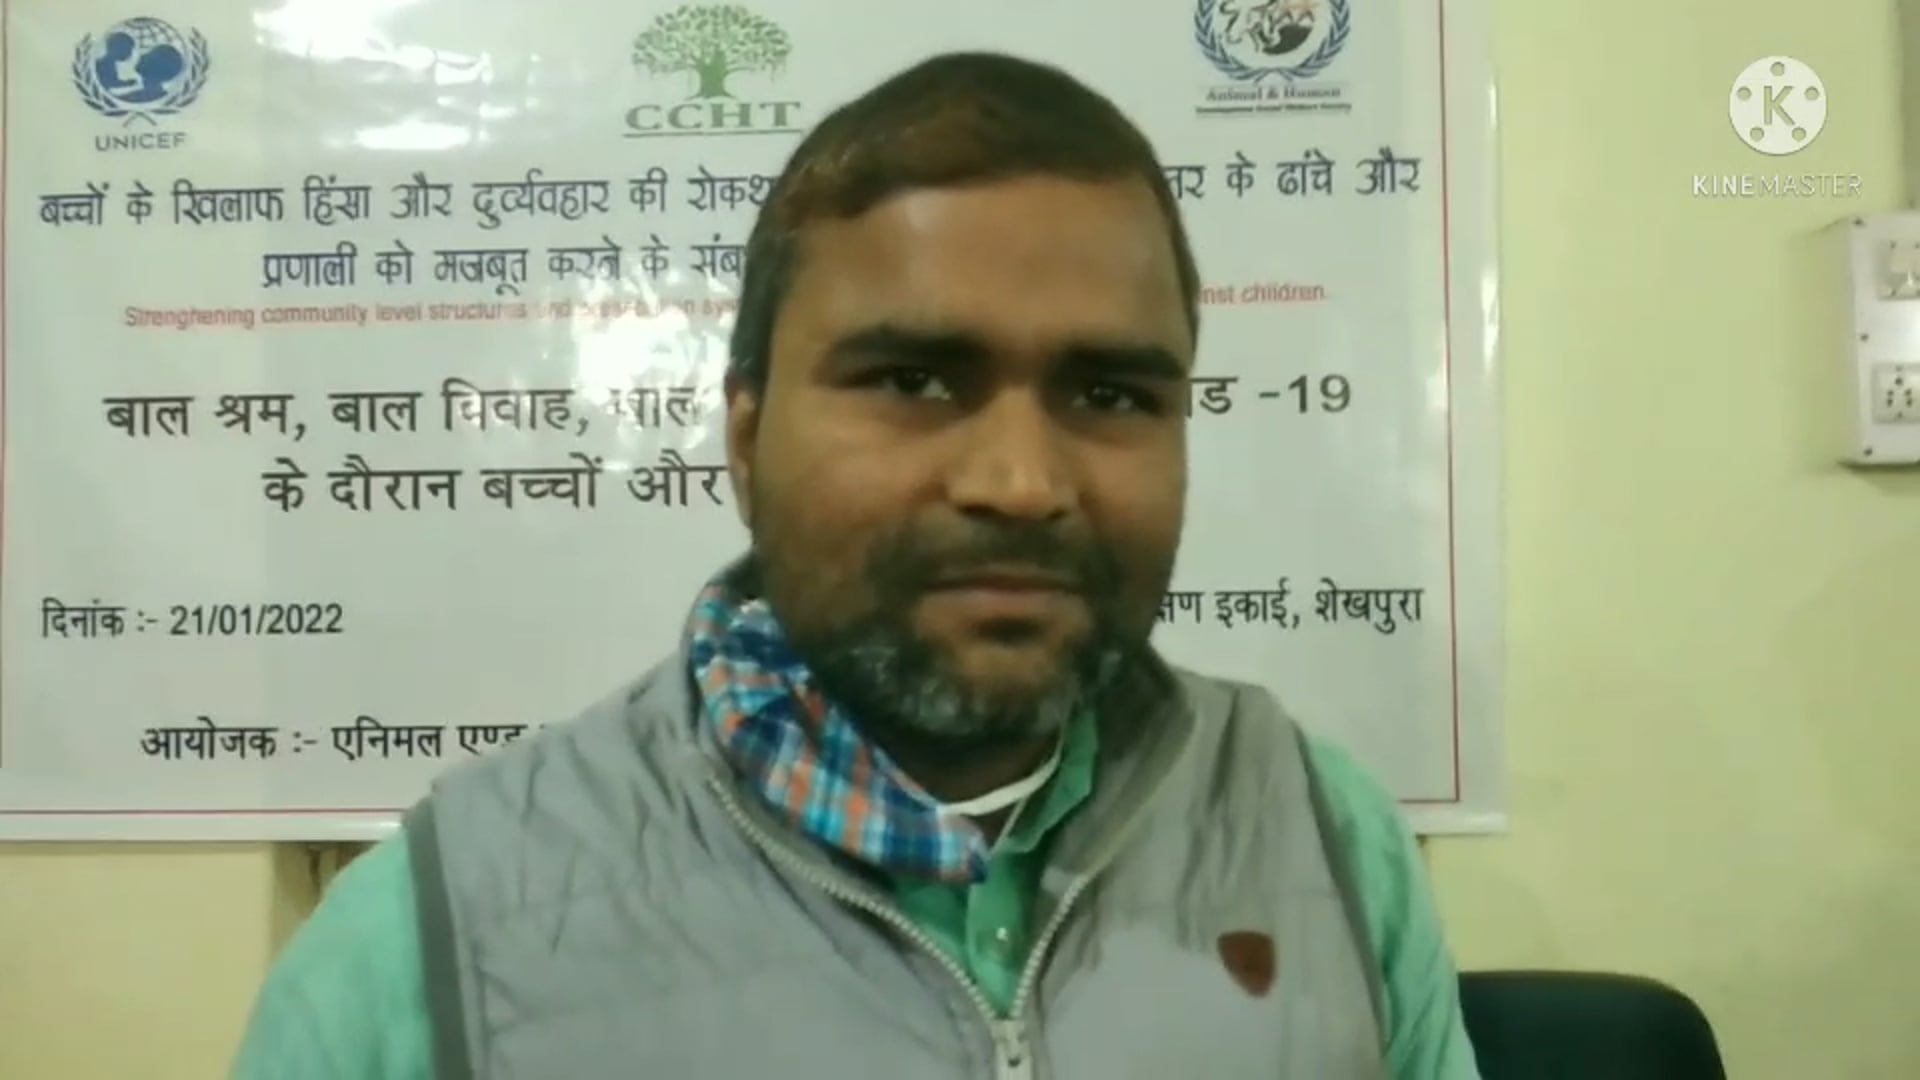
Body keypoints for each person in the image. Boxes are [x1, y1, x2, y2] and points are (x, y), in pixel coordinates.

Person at [232, 50, 1483, 1079]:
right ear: (745, 438)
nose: (1021, 482)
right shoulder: (430, 944)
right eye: (914, 378)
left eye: (1110, 393)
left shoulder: (1326, 840)